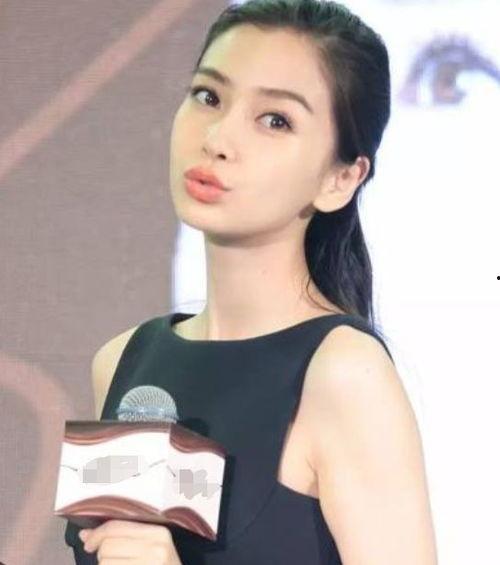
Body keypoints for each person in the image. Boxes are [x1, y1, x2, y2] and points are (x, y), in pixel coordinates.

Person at [65, 0, 438, 563]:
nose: (217, 137)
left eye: (275, 120)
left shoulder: (342, 374)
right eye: (208, 96)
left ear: (341, 178)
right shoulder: (121, 362)